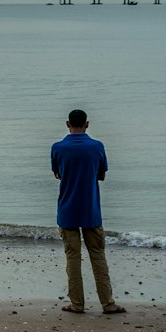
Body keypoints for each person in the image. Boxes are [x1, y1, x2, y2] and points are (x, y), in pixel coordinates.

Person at [51, 110, 125, 315]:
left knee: (73, 258)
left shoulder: (57, 148)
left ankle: (77, 304)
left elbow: (58, 174)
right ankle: (108, 303)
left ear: (68, 124)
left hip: (67, 210)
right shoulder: (97, 146)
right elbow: (101, 175)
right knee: (98, 256)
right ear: (87, 124)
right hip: (91, 210)